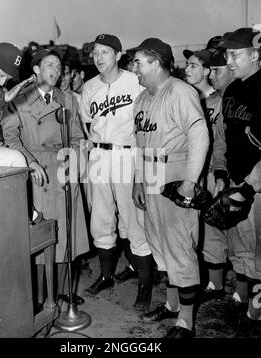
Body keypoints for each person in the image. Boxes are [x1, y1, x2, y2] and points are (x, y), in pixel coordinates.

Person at [131, 38, 209, 337]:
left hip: (175, 171)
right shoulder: (141, 99)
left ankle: (186, 321)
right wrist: (138, 180)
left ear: (157, 62)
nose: (134, 67)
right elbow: (138, 146)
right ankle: (173, 305)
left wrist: (190, 182)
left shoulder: (180, 91)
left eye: (139, 62)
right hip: (150, 174)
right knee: (160, 246)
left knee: (179, 247)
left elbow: (199, 137)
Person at [1, 49, 89, 306]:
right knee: (41, 235)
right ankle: (39, 297)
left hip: (63, 169)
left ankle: (61, 289)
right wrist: (29, 162)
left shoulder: (67, 99)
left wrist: (76, 158)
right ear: (36, 70)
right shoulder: (18, 98)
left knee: (66, 234)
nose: (56, 71)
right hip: (36, 172)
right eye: (50, 65)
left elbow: (76, 136)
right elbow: (10, 137)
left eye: (59, 67)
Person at [80, 34, 154, 310]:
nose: (99, 58)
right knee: (100, 219)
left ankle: (145, 285)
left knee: (134, 220)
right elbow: (88, 124)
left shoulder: (135, 81)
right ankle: (106, 275)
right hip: (98, 154)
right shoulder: (89, 87)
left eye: (106, 52)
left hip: (128, 153)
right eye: (95, 52)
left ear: (119, 54)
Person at [212, 27, 261, 328]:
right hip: (235, 181)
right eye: (227, 54)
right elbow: (222, 137)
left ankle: (256, 310)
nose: (230, 60)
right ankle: (249, 304)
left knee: (259, 250)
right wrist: (220, 173)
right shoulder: (231, 90)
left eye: (236, 54)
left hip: (257, 186)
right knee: (241, 250)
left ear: (256, 54)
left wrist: (249, 186)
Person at [200, 48, 235, 302]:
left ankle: (244, 294)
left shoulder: (241, 99)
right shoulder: (210, 101)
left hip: (241, 173)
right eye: (210, 69)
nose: (212, 75)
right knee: (212, 225)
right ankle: (216, 285)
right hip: (213, 169)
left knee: (241, 233)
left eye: (217, 69)